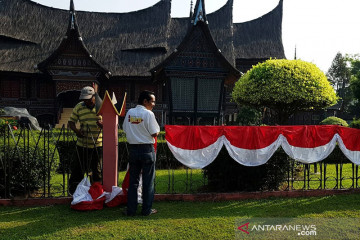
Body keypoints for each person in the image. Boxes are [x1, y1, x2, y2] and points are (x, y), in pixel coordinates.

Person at [122, 90, 160, 216]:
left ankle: (131, 210)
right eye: (152, 101)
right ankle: (146, 210)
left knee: (133, 182)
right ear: (145, 101)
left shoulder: (130, 113)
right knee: (148, 182)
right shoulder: (148, 114)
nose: (154, 104)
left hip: (133, 149)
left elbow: (125, 129)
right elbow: (154, 133)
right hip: (147, 150)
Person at [68, 85, 103, 195]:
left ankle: (97, 192)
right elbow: (71, 122)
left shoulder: (101, 106)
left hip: (98, 144)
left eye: (88, 99)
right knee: (78, 169)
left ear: (94, 97)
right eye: (84, 99)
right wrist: (77, 132)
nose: (86, 101)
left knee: (97, 171)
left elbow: (112, 123)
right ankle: (73, 192)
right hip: (82, 144)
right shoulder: (79, 106)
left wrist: (103, 125)